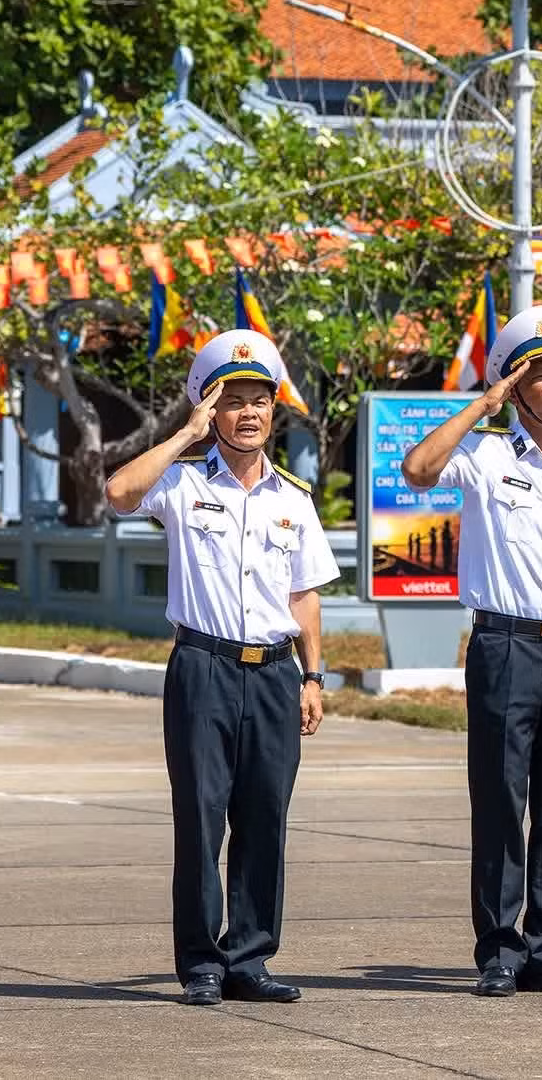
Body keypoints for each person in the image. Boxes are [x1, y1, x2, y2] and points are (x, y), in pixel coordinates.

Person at [104, 329, 339, 1006]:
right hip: (202, 669)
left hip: (273, 674)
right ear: (212, 410)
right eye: (232, 401)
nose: (248, 414)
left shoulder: (293, 498)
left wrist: (314, 676)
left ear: (274, 410)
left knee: (265, 816)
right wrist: (186, 434)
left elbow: (305, 596)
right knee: (203, 819)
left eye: (258, 401)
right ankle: (202, 963)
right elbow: (120, 492)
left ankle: (250, 959)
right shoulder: (181, 483)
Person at [402, 306, 542, 998]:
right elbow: (417, 469)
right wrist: (483, 405)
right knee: (501, 796)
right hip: (505, 642)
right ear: (515, 385)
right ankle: (500, 949)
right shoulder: (486, 458)